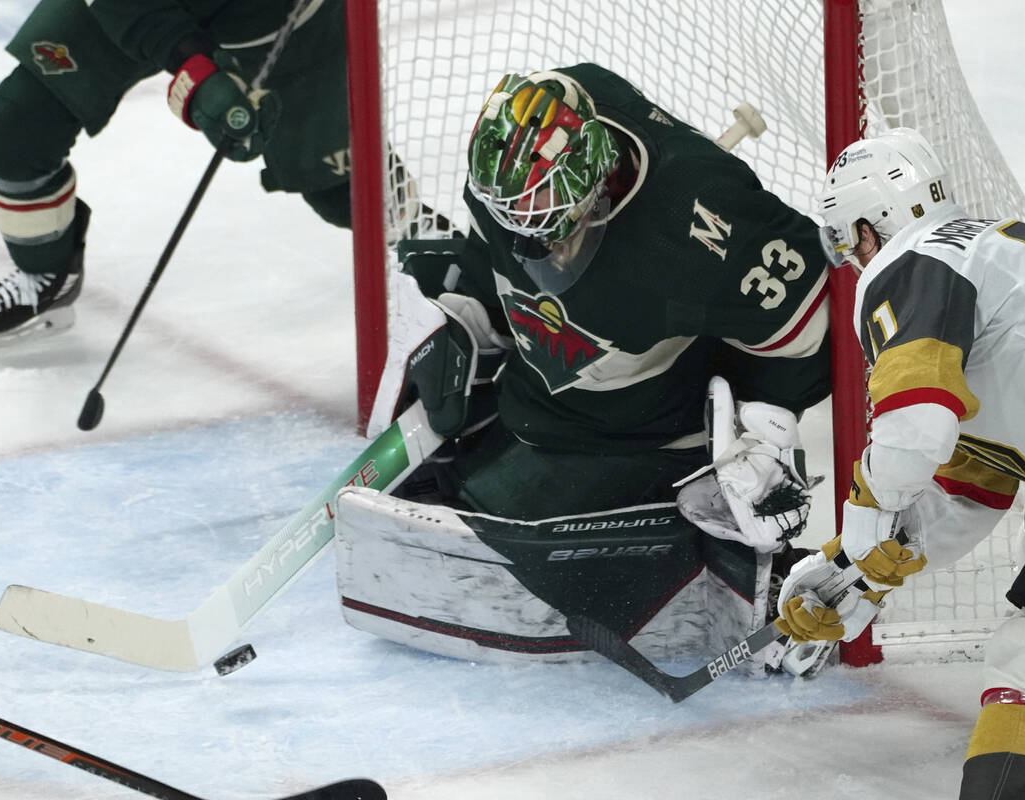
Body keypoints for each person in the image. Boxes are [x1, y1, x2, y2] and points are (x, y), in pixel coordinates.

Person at [335, 64, 833, 675]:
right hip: (545, 400)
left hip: (643, 436)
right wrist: (472, 304)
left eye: (545, 212)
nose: (527, 235)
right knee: (471, 493)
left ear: (593, 178)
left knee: (503, 524)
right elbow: (503, 249)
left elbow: (813, 321)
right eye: (513, 212)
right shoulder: (514, 174)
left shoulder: (699, 224)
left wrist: (764, 429)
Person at [776, 127, 1025, 799]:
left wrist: (864, 524)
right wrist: (852, 570)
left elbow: (915, 429)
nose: (852, 258)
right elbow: (967, 491)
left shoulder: (911, 264)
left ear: (867, 225)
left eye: (846, 239)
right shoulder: (997, 251)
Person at [0, 0, 435, 353]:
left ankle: (455, 263)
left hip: (279, 13)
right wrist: (195, 70)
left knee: (341, 187)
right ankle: (46, 276)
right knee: (14, 130)